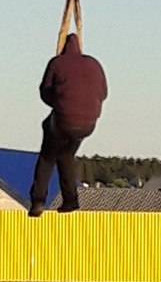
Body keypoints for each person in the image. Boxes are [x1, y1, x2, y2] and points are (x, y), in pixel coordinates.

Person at [29, 34, 108, 215]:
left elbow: (44, 92)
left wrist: (58, 103)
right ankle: (71, 200)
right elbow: (103, 93)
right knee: (66, 155)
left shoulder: (57, 63)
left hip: (64, 120)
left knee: (47, 156)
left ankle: (38, 201)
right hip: (88, 124)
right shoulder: (94, 64)